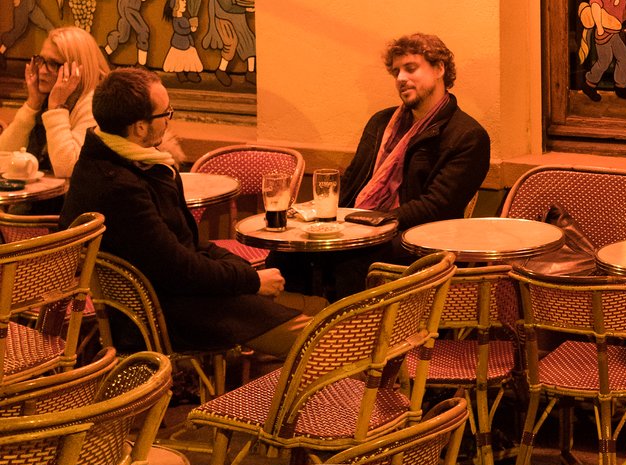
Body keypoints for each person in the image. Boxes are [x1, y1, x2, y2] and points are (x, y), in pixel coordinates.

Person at [61, 68, 306, 355]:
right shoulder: (119, 185)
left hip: (184, 293)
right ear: (139, 127)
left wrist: (243, 272)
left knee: (315, 310)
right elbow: (179, 268)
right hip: (165, 313)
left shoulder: (126, 161)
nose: (169, 121)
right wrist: (250, 281)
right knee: (318, 336)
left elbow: (189, 243)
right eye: (166, 113)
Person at [340, 33, 490, 238]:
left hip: (417, 241)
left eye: (410, 68)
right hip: (355, 227)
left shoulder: (468, 136)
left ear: (439, 69)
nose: (401, 78)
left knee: (340, 262)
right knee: (291, 251)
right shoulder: (380, 123)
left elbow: (435, 207)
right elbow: (351, 181)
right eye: (396, 72)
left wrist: (371, 224)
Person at [0, 24, 109, 178]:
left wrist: (57, 108)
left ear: (78, 69)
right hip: (35, 197)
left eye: (53, 64)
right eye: (41, 60)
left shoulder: (94, 105)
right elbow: (3, 157)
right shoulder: (44, 97)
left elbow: (67, 168)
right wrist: (32, 104)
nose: (42, 70)